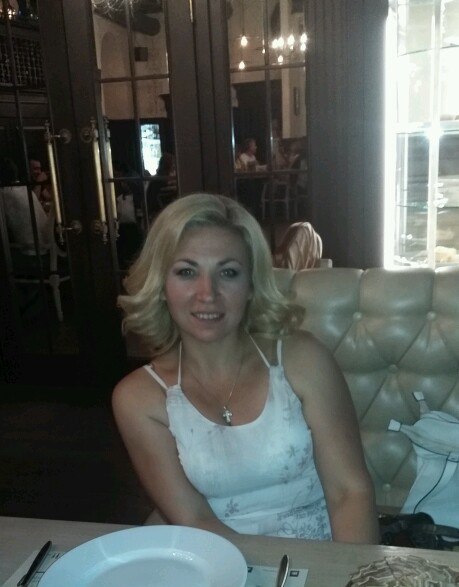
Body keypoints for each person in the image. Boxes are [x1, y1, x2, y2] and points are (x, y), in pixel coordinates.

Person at [112, 193, 379, 543]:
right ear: (161, 285)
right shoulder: (138, 398)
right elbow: (194, 519)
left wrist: (351, 571)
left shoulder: (303, 359)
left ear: (252, 285)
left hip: (321, 554)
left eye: (228, 273)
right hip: (215, 556)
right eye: (187, 272)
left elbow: (350, 493)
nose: (207, 293)